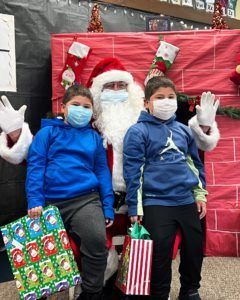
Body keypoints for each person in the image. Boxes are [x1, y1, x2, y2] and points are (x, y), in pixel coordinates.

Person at [26, 84, 114, 300]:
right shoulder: (47, 133)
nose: (81, 110)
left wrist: (108, 206)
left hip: (85, 199)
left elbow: (102, 172)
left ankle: (91, 291)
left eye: (87, 107)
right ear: (63, 108)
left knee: (96, 240)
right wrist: (34, 200)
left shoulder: (93, 138)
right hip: (48, 201)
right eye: (76, 105)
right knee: (41, 248)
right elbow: (36, 167)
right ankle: (51, 292)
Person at [123, 76, 207, 300]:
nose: (166, 101)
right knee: (160, 252)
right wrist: (135, 207)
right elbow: (133, 173)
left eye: (171, 97)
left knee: (194, 248)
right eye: (160, 97)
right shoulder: (137, 132)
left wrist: (199, 194)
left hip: (185, 200)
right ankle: (159, 293)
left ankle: (190, 289)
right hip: (155, 201)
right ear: (146, 103)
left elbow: (194, 165)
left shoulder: (184, 130)